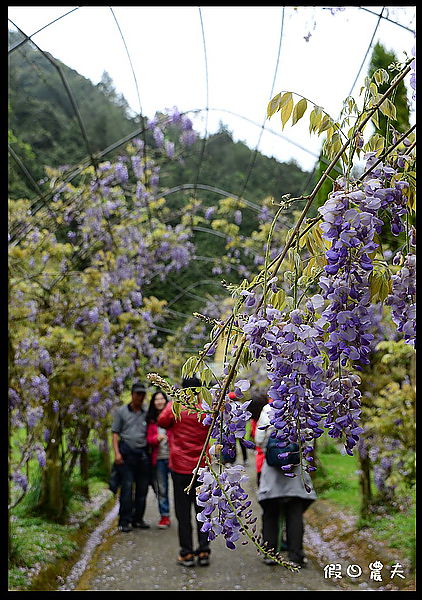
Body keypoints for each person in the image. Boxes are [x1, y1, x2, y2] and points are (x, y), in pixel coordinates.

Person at [157, 376, 211, 567]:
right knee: (203, 510)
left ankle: (187, 553)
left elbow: (161, 421)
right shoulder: (206, 407)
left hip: (180, 468)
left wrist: (175, 400)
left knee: (183, 512)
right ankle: (204, 551)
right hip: (203, 468)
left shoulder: (177, 406)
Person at [255, 402, 317, 567]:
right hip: (296, 476)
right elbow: (309, 444)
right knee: (294, 514)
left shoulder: (269, 410)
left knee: (270, 513)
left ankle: (270, 554)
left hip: (272, 474)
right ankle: (296, 555)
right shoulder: (304, 408)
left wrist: (274, 451)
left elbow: (259, 439)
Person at [111, 382, 151, 533]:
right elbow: (115, 433)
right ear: (132, 395)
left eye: (142, 394)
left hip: (142, 455)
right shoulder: (121, 412)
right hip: (126, 455)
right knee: (127, 489)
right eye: (137, 394)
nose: (140, 397)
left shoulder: (146, 412)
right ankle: (124, 520)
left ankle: (138, 519)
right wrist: (117, 453)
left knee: (142, 490)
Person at [146, 389, 171, 529]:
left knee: (180, 489)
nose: (159, 401)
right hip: (159, 459)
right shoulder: (151, 420)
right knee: (162, 489)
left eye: (162, 399)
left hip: (173, 458)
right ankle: (165, 516)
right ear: (153, 402)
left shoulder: (172, 415)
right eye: (157, 399)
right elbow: (148, 439)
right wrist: (156, 438)